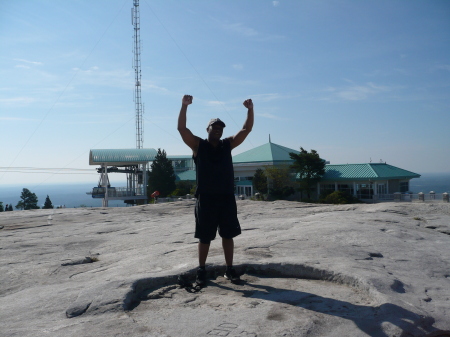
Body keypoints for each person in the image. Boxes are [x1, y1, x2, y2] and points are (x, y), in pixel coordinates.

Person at [177, 94, 254, 286]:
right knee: (205, 237)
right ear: (208, 129)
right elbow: (182, 129)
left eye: (220, 128)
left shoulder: (227, 145)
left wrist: (250, 110)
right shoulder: (198, 145)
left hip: (226, 197)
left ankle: (229, 269)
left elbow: (246, 129)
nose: (218, 130)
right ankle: (201, 270)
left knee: (228, 235)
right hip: (206, 198)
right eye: (215, 127)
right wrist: (184, 106)